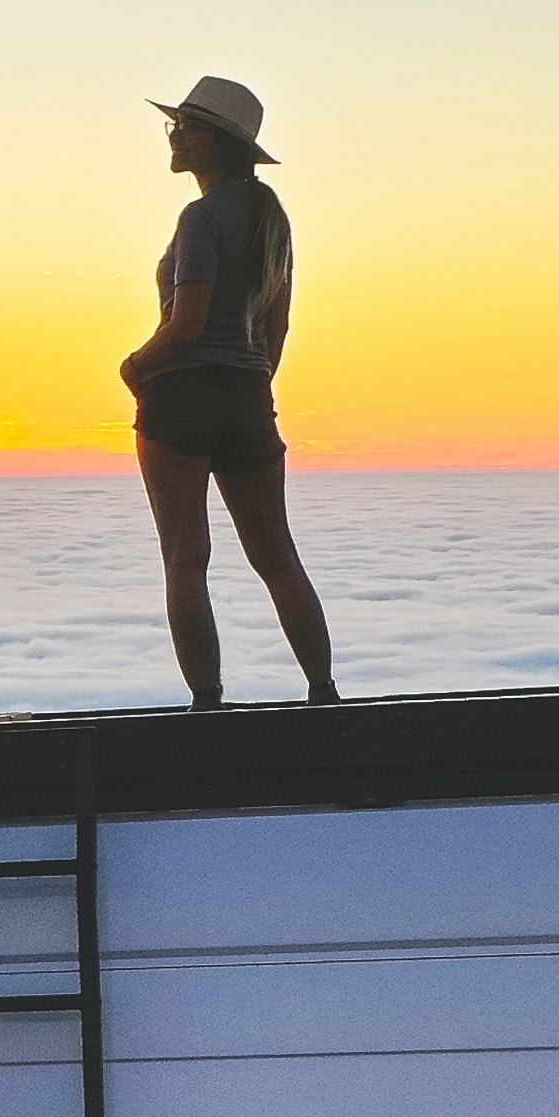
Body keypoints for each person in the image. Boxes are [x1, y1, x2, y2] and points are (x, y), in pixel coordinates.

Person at [118, 74, 336, 707]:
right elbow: (276, 327)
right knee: (278, 558)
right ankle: (324, 695)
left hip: (180, 399)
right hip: (247, 398)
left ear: (211, 140)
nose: (175, 134)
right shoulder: (272, 219)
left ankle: (208, 706)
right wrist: (247, 386)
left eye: (184, 125)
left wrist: (133, 366)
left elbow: (186, 325)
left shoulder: (200, 217)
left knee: (186, 559)